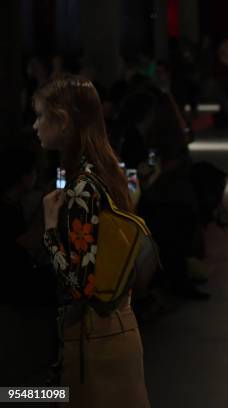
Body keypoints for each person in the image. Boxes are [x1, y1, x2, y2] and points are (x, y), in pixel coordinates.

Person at [34, 75, 150, 407]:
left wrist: (50, 231)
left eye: (41, 116)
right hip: (118, 327)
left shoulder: (83, 187)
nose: (34, 125)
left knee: (19, 396)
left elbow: (80, 286)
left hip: (95, 340)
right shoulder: (105, 171)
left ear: (64, 121)